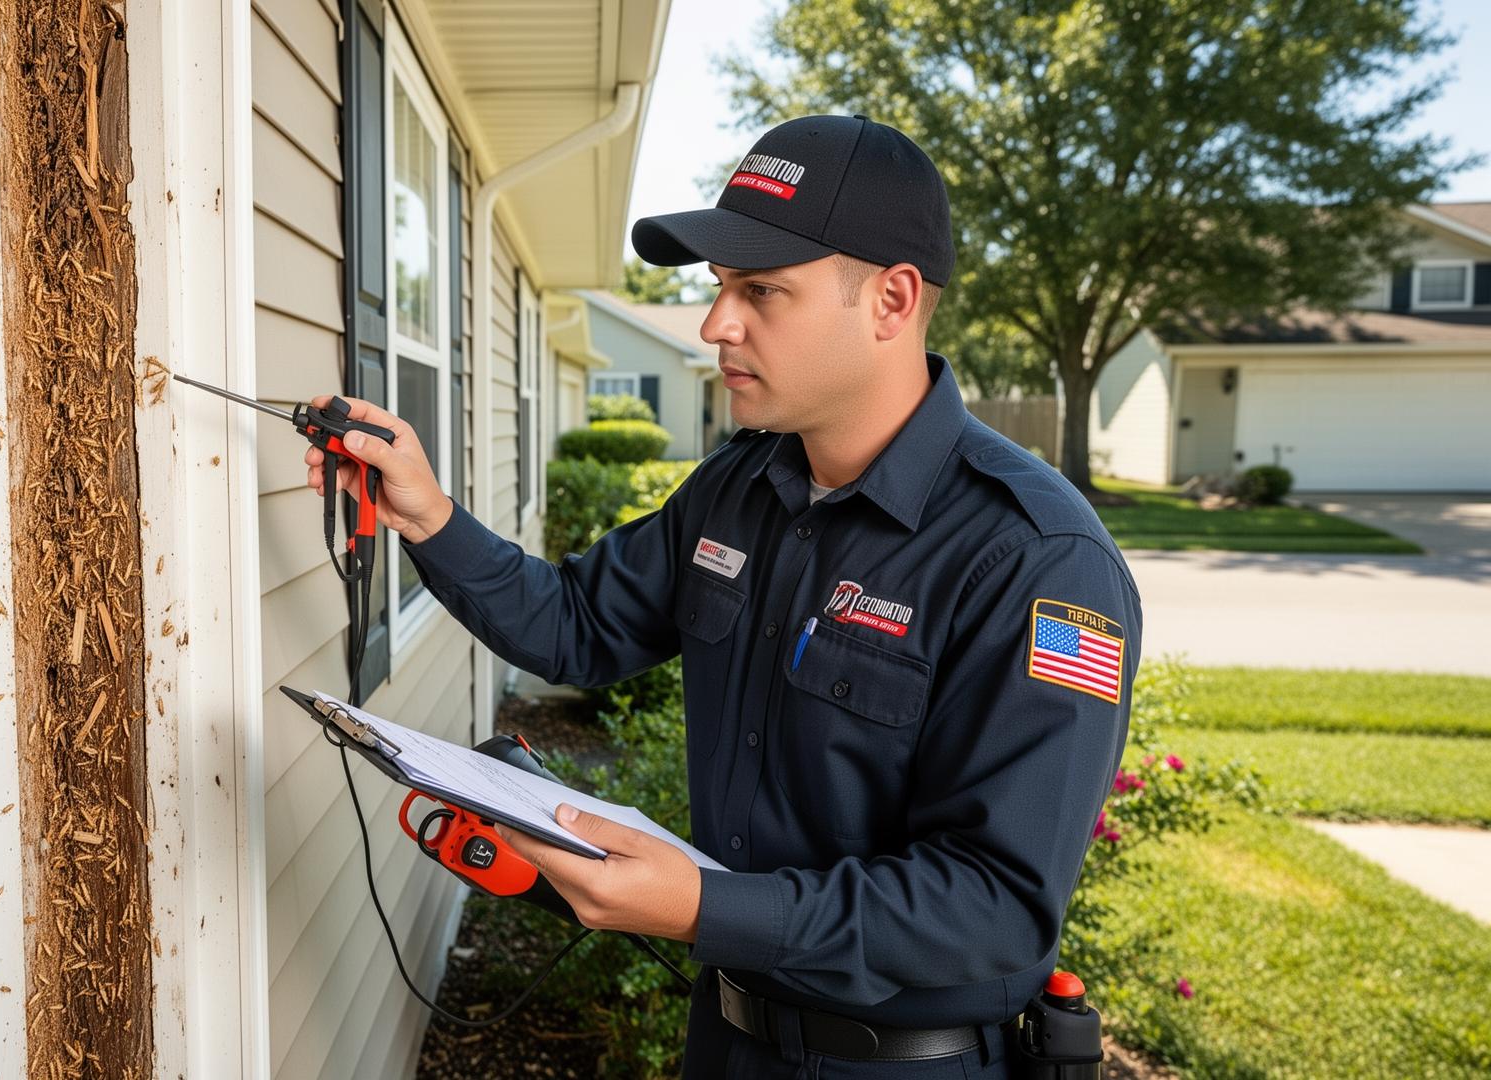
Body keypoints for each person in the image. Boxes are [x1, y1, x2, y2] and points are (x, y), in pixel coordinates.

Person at [302, 114, 1140, 1078]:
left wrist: (705, 909)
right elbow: (575, 625)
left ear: (892, 301)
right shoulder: (741, 489)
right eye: (719, 290)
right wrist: (429, 515)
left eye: (762, 291)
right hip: (728, 1037)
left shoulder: (1037, 559)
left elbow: (994, 906)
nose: (714, 325)